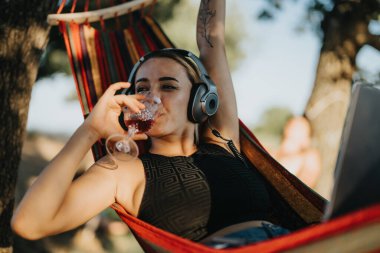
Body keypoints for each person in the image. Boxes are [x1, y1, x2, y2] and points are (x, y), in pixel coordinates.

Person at [12, 0, 289, 248]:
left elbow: (211, 43)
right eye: (142, 88)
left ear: (201, 99)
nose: (151, 97)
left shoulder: (222, 140)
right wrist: (89, 131)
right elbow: (29, 222)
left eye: (168, 86)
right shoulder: (123, 170)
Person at [274, 116, 321, 188]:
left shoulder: (310, 157)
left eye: (300, 128)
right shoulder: (272, 152)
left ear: (307, 140)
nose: (294, 128)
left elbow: (303, 190)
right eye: (292, 124)